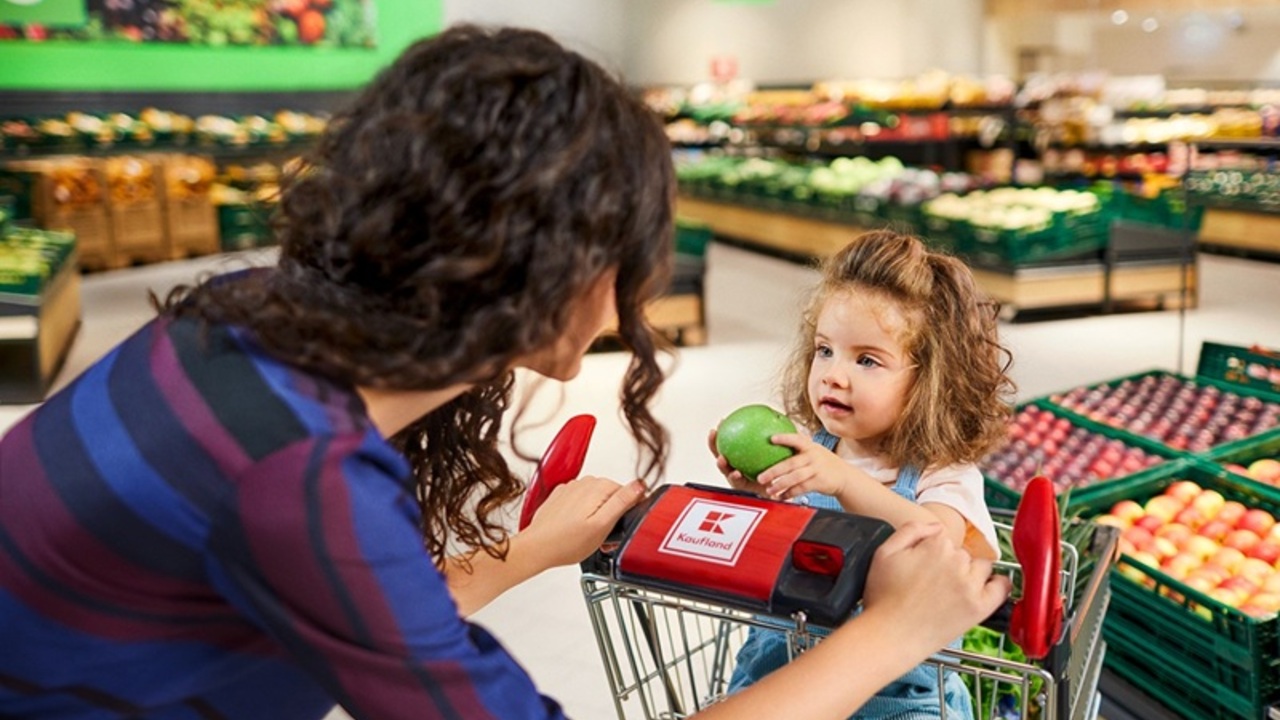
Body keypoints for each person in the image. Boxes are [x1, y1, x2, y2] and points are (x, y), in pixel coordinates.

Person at [0, 26, 1009, 720]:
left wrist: (523, 553)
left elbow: (349, 599)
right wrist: (894, 632)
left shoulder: (240, 319)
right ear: (563, 272)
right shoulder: (300, 477)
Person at [709, 230, 1017, 719]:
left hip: (898, 703)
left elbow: (938, 546)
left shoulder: (944, 476)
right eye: (824, 350)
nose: (833, 374)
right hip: (781, 682)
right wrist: (764, 496)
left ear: (930, 381)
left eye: (867, 360)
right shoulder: (807, 451)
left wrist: (842, 480)